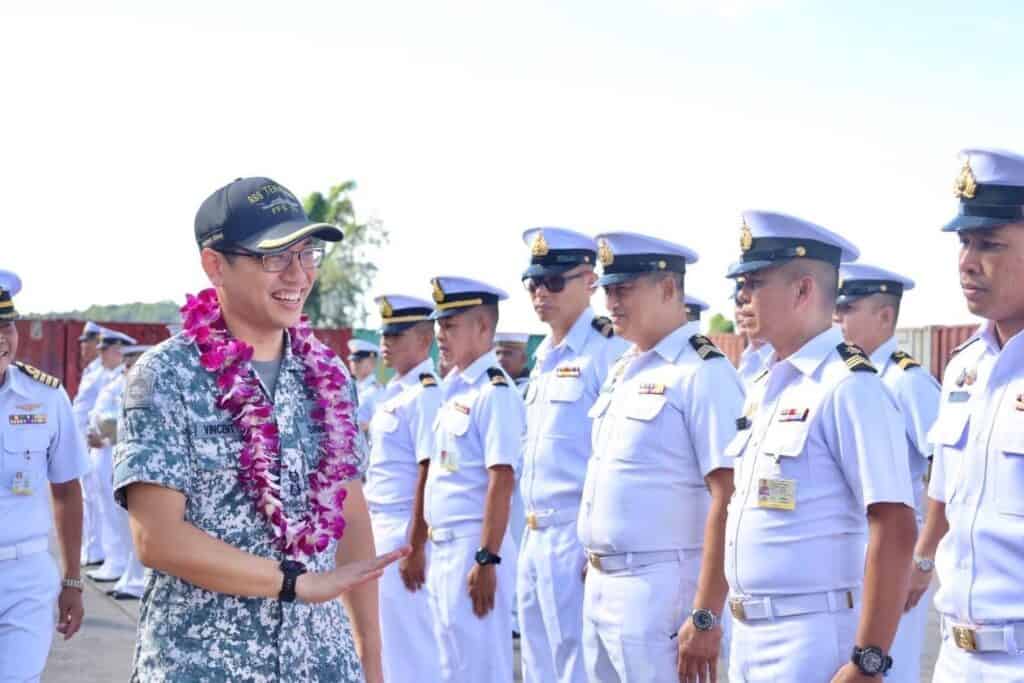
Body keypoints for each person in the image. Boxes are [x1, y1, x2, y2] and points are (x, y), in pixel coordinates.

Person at [112, 177, 406, 682]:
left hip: (320, 662)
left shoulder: (329, 375)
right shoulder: (167, 376)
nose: (298, 274)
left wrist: (371, 660)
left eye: (307, 253)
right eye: (274, 257)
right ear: (214, 264)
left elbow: (351, 515)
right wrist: (292, 583)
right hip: (204, 665)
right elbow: (156, 538)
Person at [724, 211, 917, 682]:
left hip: (810, 637)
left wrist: (869, 660)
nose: (742, 296)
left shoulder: (849, 387)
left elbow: (894, 526)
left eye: (754, 283)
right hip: (749, 634)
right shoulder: (768, 383)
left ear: (803, 290)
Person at [578, 232, 744, 683]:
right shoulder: (624, 370)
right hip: (600, 586)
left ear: (669, 289)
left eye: (624, 288)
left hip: (659, 590)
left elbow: (728, 497)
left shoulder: (702, 374)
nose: (611, 301)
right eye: (608, 290)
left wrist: (707, 613)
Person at [909, 148, 1024, 682]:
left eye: (990, 244)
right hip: (956, 658)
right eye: (964, 242)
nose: (966, 261)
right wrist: (924, 556)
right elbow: (945, 490)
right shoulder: (963, 369)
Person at [516, 227, 627, 683]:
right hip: (534, 533)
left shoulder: (607, 352)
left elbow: (616, 456)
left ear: (590, 282)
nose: (542, 293)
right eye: (534, 284)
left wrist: (596, 541)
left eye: (555, 282)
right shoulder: (542, 357)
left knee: (576, 666)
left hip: (574, 534)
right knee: (538, 662)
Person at [834, 263, 940, 683]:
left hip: (896, 556)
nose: (838, 319)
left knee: (889, 668)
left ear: (884, 315)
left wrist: (923, 558)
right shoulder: (845, 378)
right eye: (837, 309)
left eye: (849, 309)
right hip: (853, 553)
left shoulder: (907, 380)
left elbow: (948, 471)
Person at [425, 275, 526, 682]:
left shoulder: (494, 392)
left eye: (450, 326)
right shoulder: (454, 389)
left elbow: (501, 478)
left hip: (474, 547)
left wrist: (487, 556)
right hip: (443, 547)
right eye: (439, 326)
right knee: (451, 665)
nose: (440, 336)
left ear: (483, 328)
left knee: (480, 665)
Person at [0, 270, 88, 682]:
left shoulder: (46, 398)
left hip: (24, 578)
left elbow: (67, 491)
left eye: (7, 325)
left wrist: (73, 579)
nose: (2, 337)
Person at [365, 293, 443, 682]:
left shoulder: (426, 393)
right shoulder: (393, 392)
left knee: (412, 645)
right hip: (380, 526)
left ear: (424, 340)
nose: (386, 343)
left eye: (396, 334)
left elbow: (428, 470)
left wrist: (415, 545)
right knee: (386, 642)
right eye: (384, 334)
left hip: (404, 530)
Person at [84, 329, 137, 583]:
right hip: (101, 452)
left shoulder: (130, 382)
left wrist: (104, 437)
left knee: (119, 514)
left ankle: (123, 566)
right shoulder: (111, 378)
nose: (101, 355)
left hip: (113, 451)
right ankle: (114, 562)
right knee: (104, 508)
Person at [74, 326, 127, 567]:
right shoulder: (101, 374)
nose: (99, 353)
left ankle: (113, 559)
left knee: (110, 507)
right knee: (94, 502)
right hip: (92, 447)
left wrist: (102, 438)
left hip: (108, 449)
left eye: (104, 350)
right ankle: (101, 553)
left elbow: (119, 418)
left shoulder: (118, 378)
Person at [105, 345, 152, 601]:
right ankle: (129, 577)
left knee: (139, 528)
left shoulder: (147, 388)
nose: (127, 369)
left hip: (140, 470)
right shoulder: (129, 387)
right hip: (120, 461)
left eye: (131, 364)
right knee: (125, 528)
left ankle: (136, 581)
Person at [348, 339, 382, 432]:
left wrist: (367, 426)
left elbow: (383, 421)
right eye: (352, 360)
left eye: (358, 361)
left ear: (372, 362)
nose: (354, 364)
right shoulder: (351, 387)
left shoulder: (375, 391)